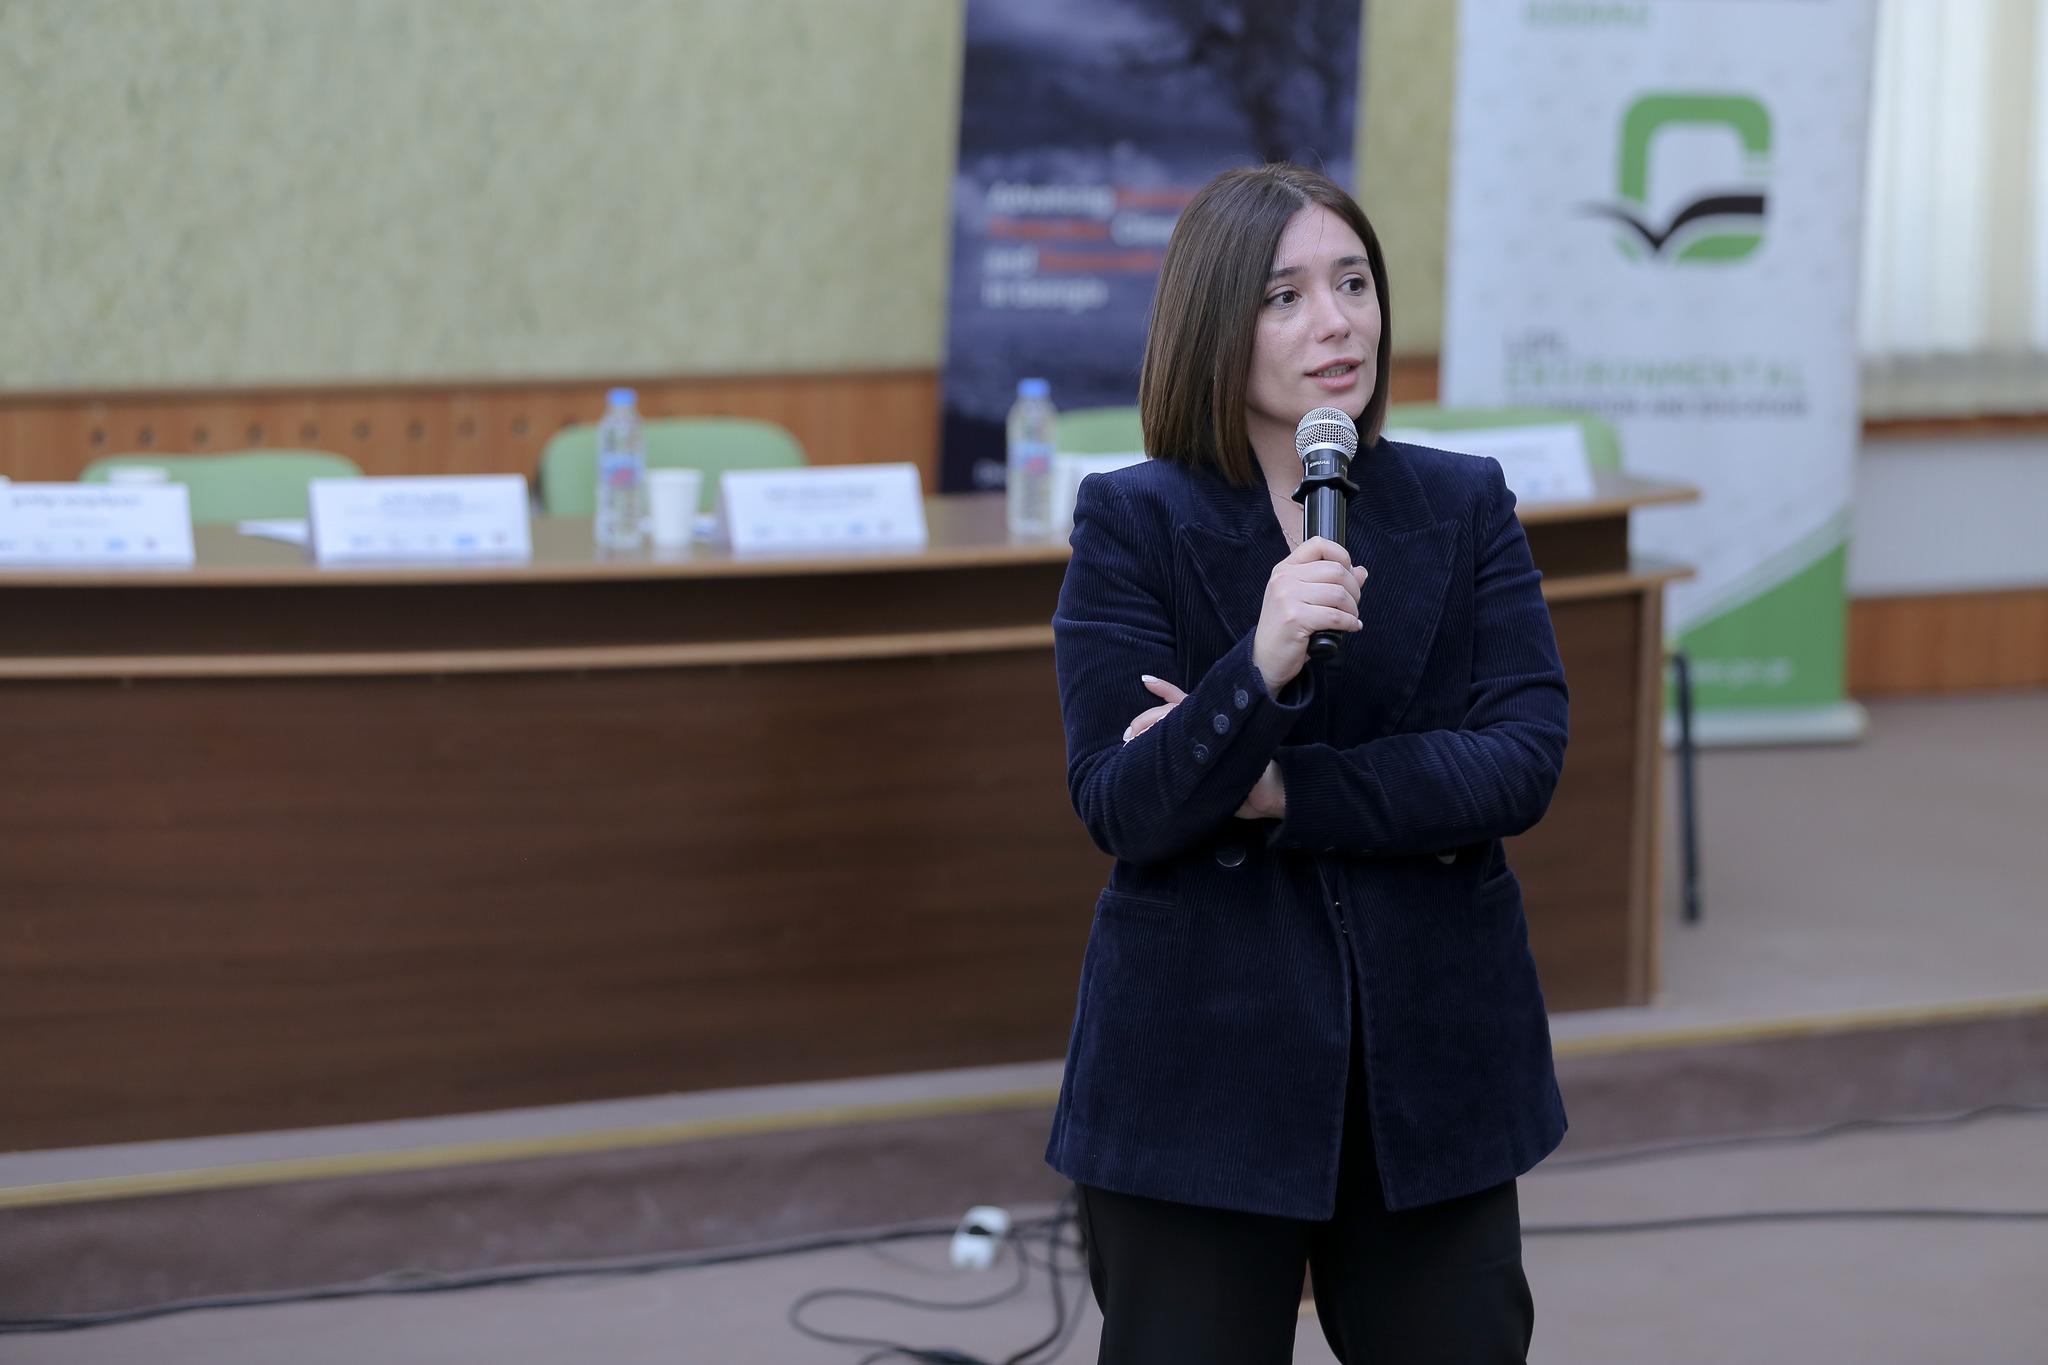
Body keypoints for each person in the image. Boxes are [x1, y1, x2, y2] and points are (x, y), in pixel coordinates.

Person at [1046, 163, 1571, 1364]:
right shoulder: (1132, 519)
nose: (1336, 323)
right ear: (1211, 327)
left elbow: (1518, 762)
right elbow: (1123, 805)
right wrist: (1259, 662)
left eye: (1352, 283)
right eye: (1283, 297)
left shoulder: (1462, 502)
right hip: (1199, 1065)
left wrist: (1277, 786)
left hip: (1428, 1057)